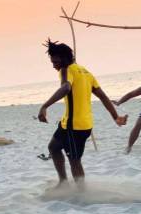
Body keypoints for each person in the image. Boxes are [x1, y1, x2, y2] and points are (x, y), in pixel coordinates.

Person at [38, 39, 128, 187]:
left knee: (74, 160)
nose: (54, 66)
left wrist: (45, 106)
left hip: (75, 127)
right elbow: (103, 97)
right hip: (75, 124)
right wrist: (115, 117)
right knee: (53, 147)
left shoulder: (66, 70)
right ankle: (63, 182)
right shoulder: (86, 72)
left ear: (64, 59)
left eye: (55, 62)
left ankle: (81, 191)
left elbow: (66, 88)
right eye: (52, 62)